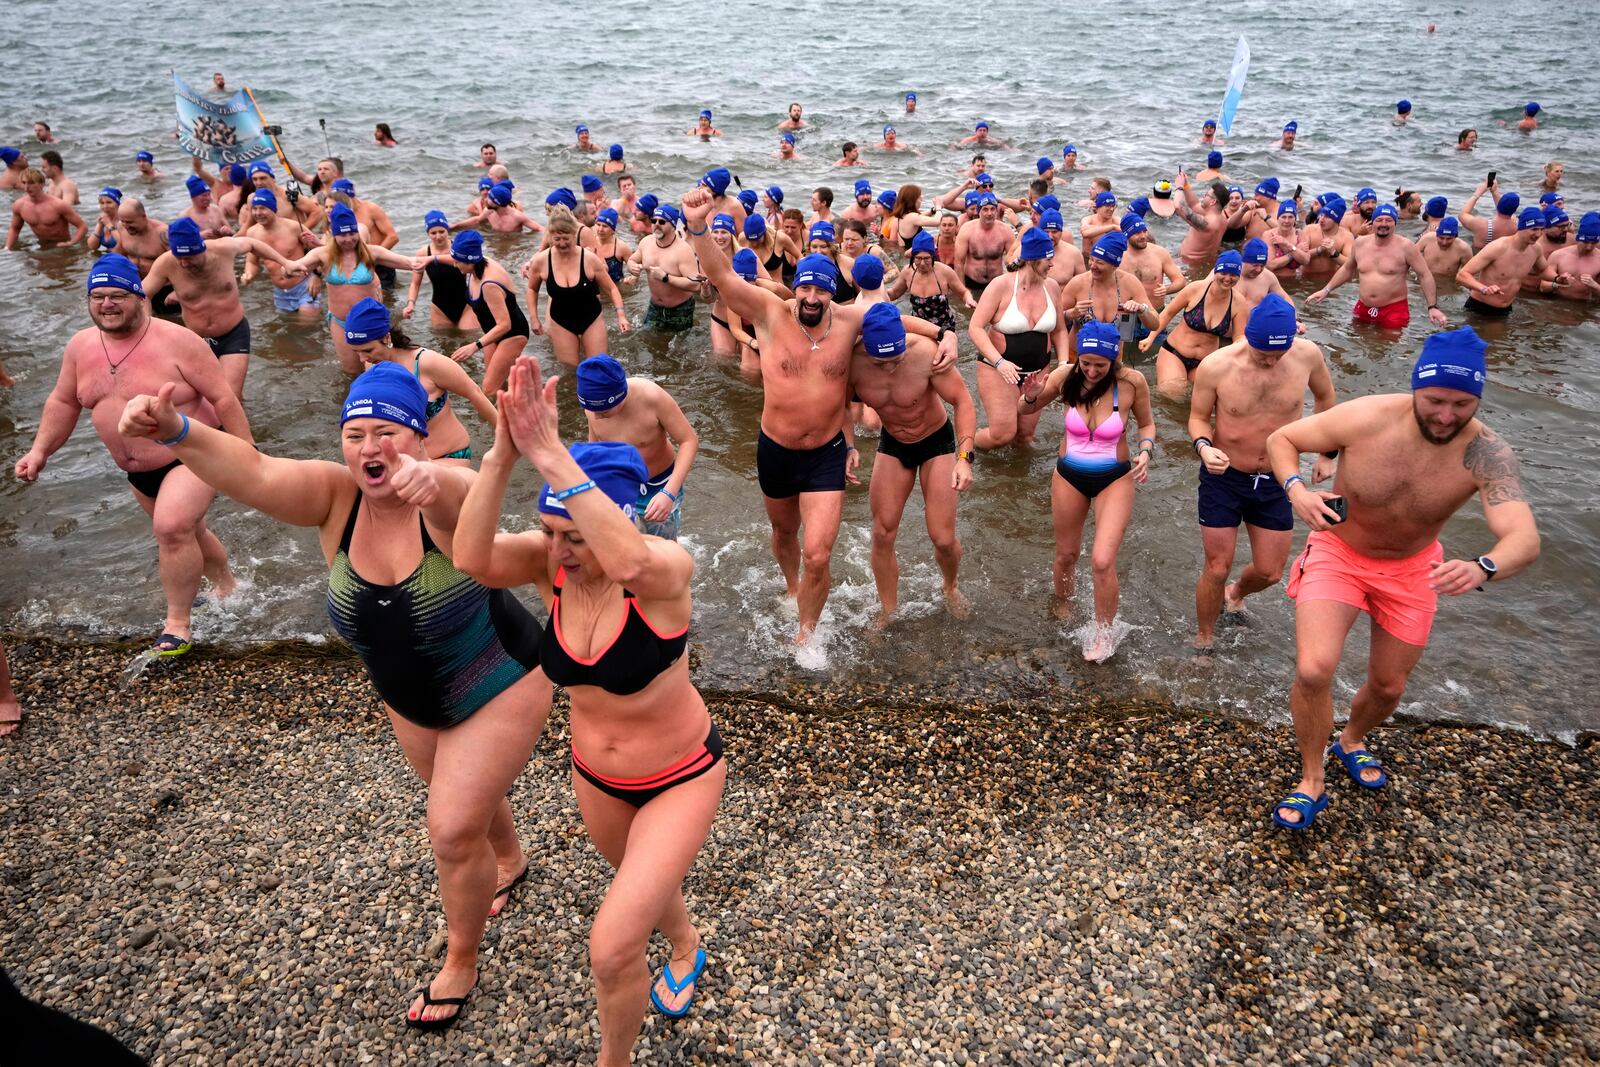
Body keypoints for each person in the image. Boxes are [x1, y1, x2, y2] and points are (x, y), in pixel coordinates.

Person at [118, 360, 551, 1026]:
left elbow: (462, 491)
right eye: (355, 433)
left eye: (387, 432)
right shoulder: (334, 497)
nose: (370, 448)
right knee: (462, 795)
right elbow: (253, 471)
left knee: (451, 826)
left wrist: (430, 478)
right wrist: (177, 428)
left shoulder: (445, 489)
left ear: (418, 435)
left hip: (500, 677)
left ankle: (460, 960)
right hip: (406, 696)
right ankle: (512, 860)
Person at [451, 356, 721, 1064]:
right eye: (548, 532)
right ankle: (688, 942)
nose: (558, 552)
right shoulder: (552, 567)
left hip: (682, 774)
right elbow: (473, 556)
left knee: (610, 949)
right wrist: (503, 458)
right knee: (647, 888)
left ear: (615, 522)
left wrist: (551, 450)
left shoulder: (664, 572)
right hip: (595, 779)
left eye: (574, 535)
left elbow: (628, 562)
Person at [1264, 328, 1540, 829]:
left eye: (1463, 403)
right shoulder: (1368, 416)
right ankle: (1312, 779)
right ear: (1415, 387)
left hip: (1414, 570)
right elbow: (1282, 438)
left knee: (1389, 686)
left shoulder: (1485, 453)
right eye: (1435, 399)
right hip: (1339, 550)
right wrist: (1296, 488)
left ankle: (1351, 740)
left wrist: (1484, 566)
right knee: (1313, 669)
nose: (1446, 415)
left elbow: (1523, 537)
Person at [681, 187, 956, 644]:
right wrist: (696, 227)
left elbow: (895, 318)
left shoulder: (849, 321)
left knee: (819, 554)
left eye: (821, 289)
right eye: (805, 286)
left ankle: (806, 635)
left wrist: (944, 334)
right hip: (775, 447)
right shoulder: (770, 313)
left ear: (832, 294)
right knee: (783, 532)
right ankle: (792, 588)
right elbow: (724, 278)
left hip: (826, 453)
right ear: (797, 289)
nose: (811, 296)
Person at [15, 255, 249, 657]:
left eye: (117, 295)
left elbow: (223, 396)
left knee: (172, 527)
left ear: (140, 297)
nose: (107, 304)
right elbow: (64, 402)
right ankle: (227, 585)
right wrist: (39, 452)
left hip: (191, 452)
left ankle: (178, 624)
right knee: (188, 531)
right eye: (98, 296)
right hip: (137, 470)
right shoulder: (80, 346)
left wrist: (247, 456)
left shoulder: (179, 341)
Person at [1187, 295, 1335, 652]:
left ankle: (1235, 594)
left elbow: (1326, 400)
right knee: (1217, 564)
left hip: (1276, 478)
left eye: (1277, 354)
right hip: (1224, 476)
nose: (1269, 361)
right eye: (1261, 353)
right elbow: (1196, 419)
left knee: (1270, 572)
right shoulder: (1216, 365)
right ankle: (1204, 640)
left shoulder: (1307, 356)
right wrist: (1204, 449)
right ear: (1248, 337)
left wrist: (1327, 452)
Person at [1016, 321, 1155, 660]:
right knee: (1066, 555)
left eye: (1100, 365)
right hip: (1069, 476)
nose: (1092, 371)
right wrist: (1031, 393)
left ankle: (1103, 633)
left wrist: (1146, 451)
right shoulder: (1066, 376)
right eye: (1086, 362)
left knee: (1102, 560)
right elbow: (1025, 409)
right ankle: (1062, 603)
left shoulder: (1132, 383)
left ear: (1115, 359)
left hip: (1114, 477)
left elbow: (1148, 423)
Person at [850, 303, 977, 626]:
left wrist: (965, 458)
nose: (891, 367)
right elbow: (840, 409)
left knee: (943, 538)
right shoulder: (852, 362)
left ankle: (950, 586)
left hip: (936, 441)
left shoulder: (925, 353)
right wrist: (848, 446)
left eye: (897, 359)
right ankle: (888, 610)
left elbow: (963, 401)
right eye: (883, 361)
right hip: (894, 443)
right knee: (882, 532)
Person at [142, 218, 306, 396]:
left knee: (230, 396)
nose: (184, 263)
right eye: (179, 258)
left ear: (201, 248)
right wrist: (147, 327)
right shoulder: (166, 263)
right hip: (196, 339)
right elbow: (141, 295)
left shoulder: (223, 249)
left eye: (189, 257)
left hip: (233, 333)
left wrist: (286, 262)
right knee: (202, 398)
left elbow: (252, 244)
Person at [340, 298, 495, 464]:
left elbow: (475, 393)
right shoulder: (371, 365)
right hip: (404, 461)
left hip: (448, 457)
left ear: (386, 338)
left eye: (368, 350)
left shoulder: (427, 362)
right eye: (357, 352)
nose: (363, 358)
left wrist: (507, 438)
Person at [574, 355, 698, 540]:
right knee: (623, 544)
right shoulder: (594, 406)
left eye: (603, 412)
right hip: (620, 482)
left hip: (659, 484)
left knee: (663, 547)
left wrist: (669, 493)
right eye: (592, 411)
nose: (597, 417)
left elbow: (689, 440)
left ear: (619, 396)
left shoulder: (652, 398)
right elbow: (595, 450)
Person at [968, 228, 1070, 450]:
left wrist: (1063, 365)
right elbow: (975, 328)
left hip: (1038, 370)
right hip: (999, 369)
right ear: (1032, 259)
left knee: (1024, 437)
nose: (1052, 264)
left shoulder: (1051, 287)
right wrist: (999, 362)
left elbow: (1060, 330)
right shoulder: (1001, 286)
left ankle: (1017, 481)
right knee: (1002, 434)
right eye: (1048, 258)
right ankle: (967, 447)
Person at [288, 204, 419, 375]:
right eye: (342, 235)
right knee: (351, 372)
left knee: (378, 370)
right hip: (340, 323)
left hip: (371, 322)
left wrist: (436, 258)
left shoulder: (371, 252)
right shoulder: (322, 254)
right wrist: (290, 268)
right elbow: (293, 267)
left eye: (352, 233)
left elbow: (411, 263)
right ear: (334, 234)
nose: (349, 239)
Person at [1308, 204, 1448, 328]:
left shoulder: (1406, 246)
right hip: (1363, 306)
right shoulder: (1360, 243)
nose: (1384, 224)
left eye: (1389, 220)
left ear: (1395, 223)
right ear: (1372, 223)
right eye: (1379, 220)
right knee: (1356, 345)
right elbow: (1347, 269)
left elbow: (1424, 275)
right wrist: (1326, 290)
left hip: (1393, 309)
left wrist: (1432, 307)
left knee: (1387, 348)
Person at [526, 209, 630, 366]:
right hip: (561, 322)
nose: (562, 243)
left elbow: (611, 288)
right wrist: (534, 319)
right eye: (557, 239)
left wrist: (621, 315)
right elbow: (532, 289)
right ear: (550, 237)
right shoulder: (541, 261)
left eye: (566, 238)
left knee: (598, 366)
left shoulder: (589, 259)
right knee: (570, 371)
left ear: (574, 235)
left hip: (591, 318)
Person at [1141, 249, 1246, 392]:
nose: (1228, 278)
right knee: (1173, 394)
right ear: (1216, 271)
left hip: (1206, 362)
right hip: (1175, 353)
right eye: (1224, 273)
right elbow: (1168, 313)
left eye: (1233, 274)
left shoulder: (1239, 303)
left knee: (1199, 399)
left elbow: (1239, 337)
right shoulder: (1196, 289)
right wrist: (1150, 338)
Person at [445, 230, 531, 393]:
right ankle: (516, 409)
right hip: (492, 334)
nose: (455, 266)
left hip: (512, 334)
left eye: (457, 262)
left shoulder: (489, 284)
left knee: (488, 389)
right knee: (501, 384)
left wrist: (474, 346)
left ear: (470, 260)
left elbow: (505, 325)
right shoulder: (474, 267)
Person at [1457, 209, 1566, 317]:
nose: (1538, 234)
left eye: (1542, 229)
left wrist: (1557, 278)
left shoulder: (1535, 249)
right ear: (1521, 227)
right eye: (1534, 229)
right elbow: (1462, 275)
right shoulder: (1498, 247)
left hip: (1506, 309)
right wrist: (1484, 289)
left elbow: (1543, 270)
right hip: (1480, 307)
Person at [239, 189, 320, 317]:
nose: (258, 213)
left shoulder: (293, 227)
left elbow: (319, 251)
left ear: (273, 208)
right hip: (280, 292)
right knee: (287, 328)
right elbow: (252, 262)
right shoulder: (252, 233)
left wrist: (317, 276)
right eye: (254, 208)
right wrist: (248, 274)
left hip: (304, 286)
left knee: (307, 323)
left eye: (263, 208)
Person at [626, 204, 701, 333]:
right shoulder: (646, 242)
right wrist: (632, 267)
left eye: (662, 221)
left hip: (680, 308)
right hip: (655, 306)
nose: (656, 224)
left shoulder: (683, 250)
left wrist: (666, 277)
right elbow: (632, 259)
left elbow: (695, 285)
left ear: (672, 225)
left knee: (679, 348)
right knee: (648, 341)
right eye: (654, 221)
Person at [887, 231, 974, 333]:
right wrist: (875, 293)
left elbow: (963, 292)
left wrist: (969, 299)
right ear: (913, 257)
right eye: (918, 258)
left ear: (933, 256)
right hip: (918, 328)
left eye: (927, 258)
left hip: (943, 329)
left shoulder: (945, 272)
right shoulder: (907, 272)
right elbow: (894, 293)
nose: (922, 263)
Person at [405, 211, 478, 330]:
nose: (438, 236)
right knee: (443, 344)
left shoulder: (459, 248)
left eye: (442, 231)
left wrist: (433, 259)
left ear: (447, 230)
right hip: (439, 308)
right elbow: (415, 283)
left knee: (468, 339)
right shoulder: (423, 253)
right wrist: (410, 303)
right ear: (428, 233)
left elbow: (476, 269)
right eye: (433, 233)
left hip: (466, 305)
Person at [5, 168, 86, 250]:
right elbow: (15, 229)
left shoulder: (58, 205)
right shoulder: (19, 205)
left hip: (62, 247)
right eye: (24, 183)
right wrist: (7, 248)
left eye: (31, 183)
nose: (27, 187)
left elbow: (82, 227)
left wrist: (71, 243)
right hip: (42, 246)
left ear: (42, 184)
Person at [953, 193, 1012, 294]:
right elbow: (959, 263)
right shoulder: (967, 229)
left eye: (992, 209)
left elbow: (1013, 262)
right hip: (971, 283)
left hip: (996, 283)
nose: (989, 213)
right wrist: (963, 291)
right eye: (985, 209)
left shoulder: (1006, 231)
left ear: (996, 211)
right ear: (978, 211)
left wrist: (1010, 288)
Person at [1295, 196, 1353, 280]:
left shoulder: (1346, 236)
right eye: (1321, 215)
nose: (1321, 220)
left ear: (1336, 220)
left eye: (1327, 217)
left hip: (1330, 281)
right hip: (1305, 279)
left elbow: (1350, 264)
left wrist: (1333, 253)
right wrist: (1319, 250)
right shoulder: (1309, 229)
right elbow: (1299, 257)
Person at [1547, 211, 1600, 301]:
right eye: (1585, 242)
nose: (1589, 247)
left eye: (1594, 243)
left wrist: (1595, 286)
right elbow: (1541, 285)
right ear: (1577, 238)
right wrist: (1558, 282)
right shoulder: (1558, 255)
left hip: (1583, 308)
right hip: (1556, 304)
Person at [86, 186, 122, 252]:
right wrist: (99, 226)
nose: (105, 206)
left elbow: (124, 245)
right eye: (102, 203)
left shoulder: (123, 220)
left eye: (109, 202)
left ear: (117, 204)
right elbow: (92, 246)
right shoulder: (103, 220)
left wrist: (109, 225)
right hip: (110, 256)